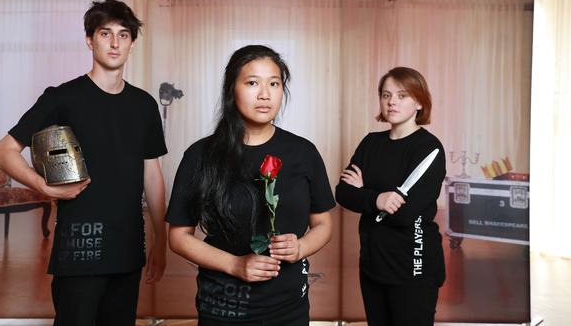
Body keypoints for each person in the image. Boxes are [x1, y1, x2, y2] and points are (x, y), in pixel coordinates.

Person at [0, 0, 167, 326]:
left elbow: (152, 173)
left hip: (128, 249)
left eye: (124, 34)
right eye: (105, 33)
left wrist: (162, 240)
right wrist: (44, 186)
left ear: (131, 43)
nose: (115, 43)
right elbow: (2, 152)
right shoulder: (62, 97)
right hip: (79, 250)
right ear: (90, 40)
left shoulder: (144, 105)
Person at [166, 45, 335, 325]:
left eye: (274, 83)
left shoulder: (303, 153)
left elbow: (323, 224)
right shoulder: (201, 155)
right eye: (252, 83)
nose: (265, 94)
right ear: (232, 88)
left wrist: (301, 247)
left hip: (288, 308)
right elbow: (179, 237)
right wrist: (235, 264)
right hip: (223, 308)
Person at [335, 67, 446, 326]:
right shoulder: (371, 143)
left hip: (413, 266)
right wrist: (377, 199)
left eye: (402, 95)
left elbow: (405, 214)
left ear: (419, 102)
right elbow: (343, 194)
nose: (392, 102)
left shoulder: (429, 149)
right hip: (373, 262)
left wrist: (363, 193)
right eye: (386, 95)